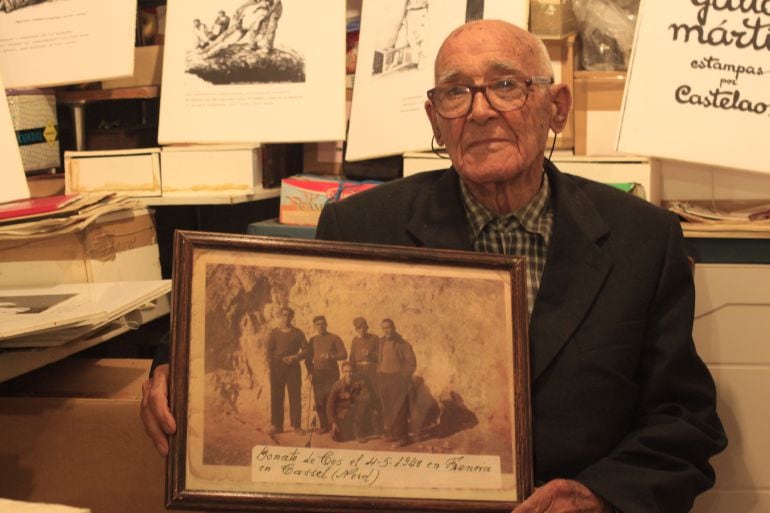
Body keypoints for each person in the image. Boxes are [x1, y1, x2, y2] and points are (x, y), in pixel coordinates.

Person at [141, 18, 726, 513]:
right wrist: (174, 365)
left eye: (507, 85)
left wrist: (598, 495)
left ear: (556, 108)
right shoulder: (362, 227)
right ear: (433, 117)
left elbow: (684, 421)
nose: (480, 111)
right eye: (456, 93)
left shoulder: (641, 238)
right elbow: (258, 319)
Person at [265, 306, 309, 435]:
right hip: (277, 366)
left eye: (289, 315)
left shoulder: (298, 333)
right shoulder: (274, 333)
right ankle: (277, 426)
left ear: (292, 317)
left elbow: (306, 350)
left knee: (295, 395)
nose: (286, 318)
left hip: (293, 366)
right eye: (284, 315)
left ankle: (297, 426)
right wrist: (271, 366)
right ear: (280, 316)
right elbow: (269, 351)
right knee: (277, 396)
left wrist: (295, 357)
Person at [376, 318, 416, 448]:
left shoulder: (402, 343)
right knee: (388, 407)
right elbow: (380, 358)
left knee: (399, 408)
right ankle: (393, 434)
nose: (386, 330)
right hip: (383, 378)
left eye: (388, 327)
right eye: (383, 328)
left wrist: (403, 377)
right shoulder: (381, 341)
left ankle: (403, 437)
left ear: (394, 327)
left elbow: (411, 363)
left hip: (397, 379)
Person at [306, 315, 347, 434]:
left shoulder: (334, 338)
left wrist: (331, 356)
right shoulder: (312, 340)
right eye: (318, 324)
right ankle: (324, 426)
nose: (320, 326)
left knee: (332, 398)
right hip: (317, 373)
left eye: (322, 323)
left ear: (326, 324)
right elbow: (308, 358)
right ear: (314, 326)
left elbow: (344, 354)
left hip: (331, 372)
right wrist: (310, 372)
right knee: (319, 399)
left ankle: (333, 425)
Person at [348, 316, 382, 437]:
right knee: (361, 398)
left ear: (366, 327)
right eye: (358, 328)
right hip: (359, 371)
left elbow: (381, 356)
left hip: (372, 371)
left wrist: (370, 354)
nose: (361, 330)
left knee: (374, 397)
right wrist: (350, 371)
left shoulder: (374, 338)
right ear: (356, 329)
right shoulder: (355, 340)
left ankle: (377, 429)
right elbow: (352, 357)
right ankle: (363, 429)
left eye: (363, 327)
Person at [326, 361, 369, 443]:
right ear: (342, 372)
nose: (348, 374)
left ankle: (358, 433)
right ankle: (347, 430)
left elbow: (366, 398)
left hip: (355, 412)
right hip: (342, 414)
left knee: (361, 408)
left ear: (353, 372)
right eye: (346, 371)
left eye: (350, 371)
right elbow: (329, 406)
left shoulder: (359, 383)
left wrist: (352, 397)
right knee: (338, 438)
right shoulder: (337, 385)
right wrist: (333, 422)